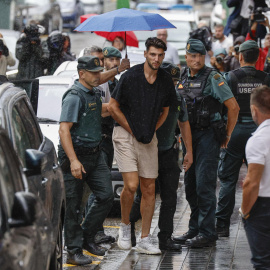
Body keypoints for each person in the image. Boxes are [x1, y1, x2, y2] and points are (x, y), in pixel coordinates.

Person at [108, 37, 176, 255]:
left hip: (148, 137)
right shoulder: (130, 76)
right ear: (146, 54)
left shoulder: (165, 80)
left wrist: (152, 128)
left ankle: (145, 238)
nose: (156, 59)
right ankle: (125, 226)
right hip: (125, 135)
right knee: (131, 185)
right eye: (153, 54)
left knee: (149, 188)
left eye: (160, 55)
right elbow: (112, 107)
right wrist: (132, 129)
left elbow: (166, 110)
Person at [175, 38, 239, 248]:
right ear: (186, 56)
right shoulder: (182, 76)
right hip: (188, 138)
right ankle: (194, 229)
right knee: (191, 186)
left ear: (205, 56)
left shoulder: (213, 77)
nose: (196, 60)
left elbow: (233, 107)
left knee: (204, 185)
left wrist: (227, 134)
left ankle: (207, 232)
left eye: (200, 56)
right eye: (192, 56)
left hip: (208, 137)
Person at [129, 62, 193, 251]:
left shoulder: (178, 99)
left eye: (174, 81)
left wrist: (189, 151)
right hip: (148, 151)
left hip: (168, 152)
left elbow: (184, 124)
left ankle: (165, 237)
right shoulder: (147, 97)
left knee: (170, 197)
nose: (171, 84)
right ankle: (130, 227)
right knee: (143, 197)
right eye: (168, 80)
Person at [58, 56, 114, 265]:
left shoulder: (93, 93)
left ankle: (86, 238)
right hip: (76, 156)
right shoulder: (74, 96)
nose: (98, 75)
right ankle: (73, 251)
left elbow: (97, 111)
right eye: (94, 72)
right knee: (73, 206)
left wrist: (116, 106)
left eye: (99, 71)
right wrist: (73, 160)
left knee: (106, 195)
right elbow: (64, 130)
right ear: (82, 74)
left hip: (95, 154)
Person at [216, 40, 270, 237]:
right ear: (257, 58)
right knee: (262, 177)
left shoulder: (230, 77)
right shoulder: (266, 78)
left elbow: (223, 105)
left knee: (228, 178)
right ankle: (258, 219)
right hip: (259, 131)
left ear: (240, 57)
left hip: (235, 130)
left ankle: (221, 225)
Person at [87, 46, 123, 246]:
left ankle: (95, 230)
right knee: (99, 189)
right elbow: (101, 110)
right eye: (108, 60)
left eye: (116, 61)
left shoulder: (115, 83)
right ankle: (91, 232)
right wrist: (113, 109)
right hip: (96, 139)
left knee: (103, 186)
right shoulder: (93, 83)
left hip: (108, 138)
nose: (112, 64)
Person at [241, 85, 270, 269]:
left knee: (263, 262)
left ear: (254, 109)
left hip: (264, 207)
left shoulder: (258, 140)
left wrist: (245, 212)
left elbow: (252, 182)